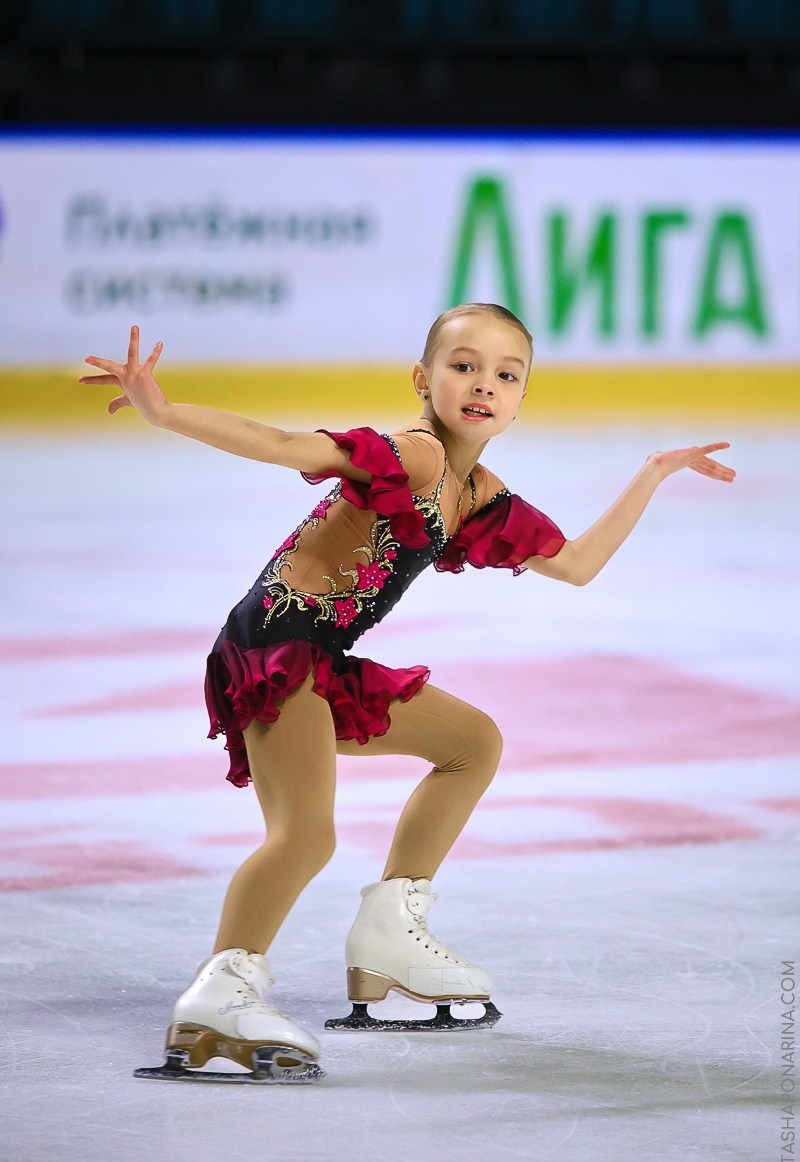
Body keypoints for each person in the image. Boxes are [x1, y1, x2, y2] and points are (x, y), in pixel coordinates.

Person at [80, 303, 735, 1083]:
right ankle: (221, 991)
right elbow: (290, 444)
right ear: (424, 380)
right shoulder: (418, 456)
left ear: (523, 398)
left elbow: (579, 564)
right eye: (464, 366)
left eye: (505, 373)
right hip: (273, 650)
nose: (483, 384)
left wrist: (652, 472)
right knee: (306, 836)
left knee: (472, 743)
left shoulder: (475, 494)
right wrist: (165, 412)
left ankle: (389, 930)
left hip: (318, 660)